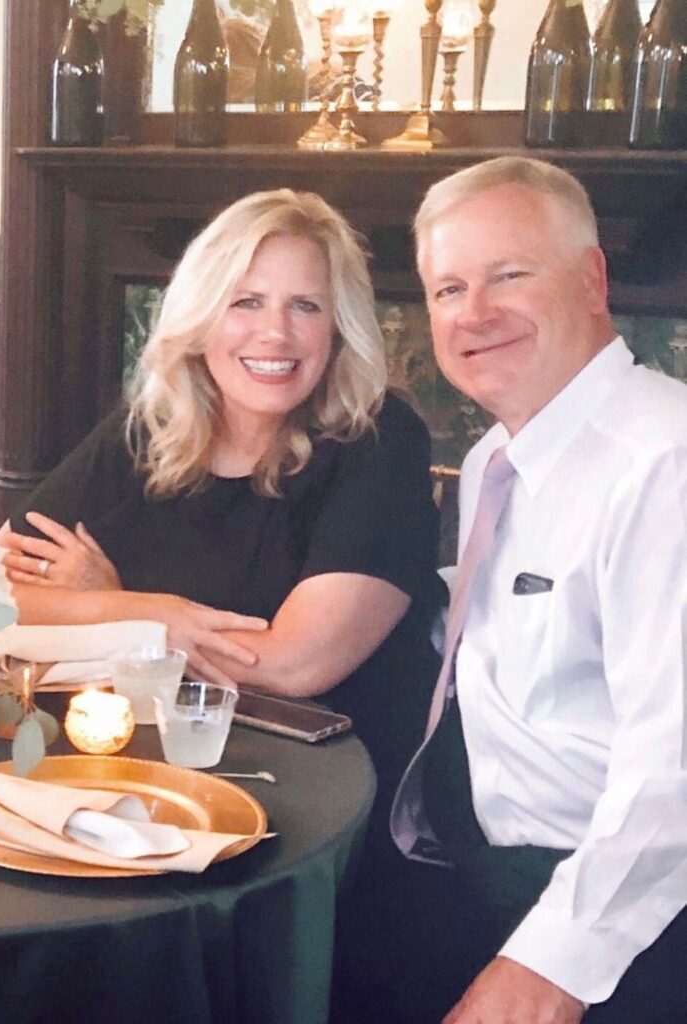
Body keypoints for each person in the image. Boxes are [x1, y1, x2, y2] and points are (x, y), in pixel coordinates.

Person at [0, 187, 445, 818]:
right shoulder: (152, 426)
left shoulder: (379, 438)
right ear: (203, 315)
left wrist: (122, 612)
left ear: (339, 326)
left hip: (327, 799)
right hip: (152, 772)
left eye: (306, 306)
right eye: (246, 301)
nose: (276, 333)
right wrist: (137, 609)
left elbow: (295, 664)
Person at [372, 156, 687, 1024]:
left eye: (510, 276)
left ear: (592, 280)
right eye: (447, 288)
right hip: (469, 870)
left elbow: (677, 767)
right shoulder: (492, 461)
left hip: (623, 917)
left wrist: (546, 969)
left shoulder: (665, 463)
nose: (474, 313)